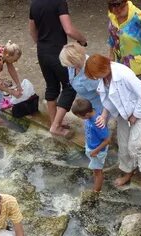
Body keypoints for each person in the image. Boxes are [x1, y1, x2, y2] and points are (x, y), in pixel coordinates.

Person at [85, 54, 141, 187]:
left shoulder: (123, 74)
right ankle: (128, 171)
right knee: (123, 146)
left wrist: (135, 115)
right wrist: (104, 115)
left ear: (103, 68)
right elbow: (107, 99)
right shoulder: (104, 78)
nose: (96, 78)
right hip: (123, 114)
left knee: (134, 145)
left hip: (140, 111)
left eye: (96, 75)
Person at [29, 0, 87, 137]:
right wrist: (83, 40)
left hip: (42, 51)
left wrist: (43, 45)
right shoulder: (59, 2)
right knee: (70, 86)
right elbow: (69, 30)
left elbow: (32, 30)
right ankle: (56, 126)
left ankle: (54, 122)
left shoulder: (34, 3)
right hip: (58, 53)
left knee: (51, 86)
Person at [107, 0, 141, 79]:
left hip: (137, 68)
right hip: (121, 66)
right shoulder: (112, 15)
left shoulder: (138, 17)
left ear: (125, 3)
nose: (117, 12)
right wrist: (111, 55)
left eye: (119, 7)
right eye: (112, 6)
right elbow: (112, 37)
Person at [71, 98, 111, 192]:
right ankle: (95, 177)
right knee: (95, 169)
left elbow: (107, 140)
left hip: (97, 151)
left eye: (80, 117)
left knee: (98, 172)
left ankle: (96, 192)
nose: (80, 119)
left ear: (87, 114)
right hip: (92, 147)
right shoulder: (90, 116)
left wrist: (95, 151)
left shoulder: (97, 123)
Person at [59, 42, 103, 114]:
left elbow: (103, 93)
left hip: (98, 109)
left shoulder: (90, 73)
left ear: (74, 60)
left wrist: (103, 115)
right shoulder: (73, 66)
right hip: (87, 105)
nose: (68, 67)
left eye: (69, 65)